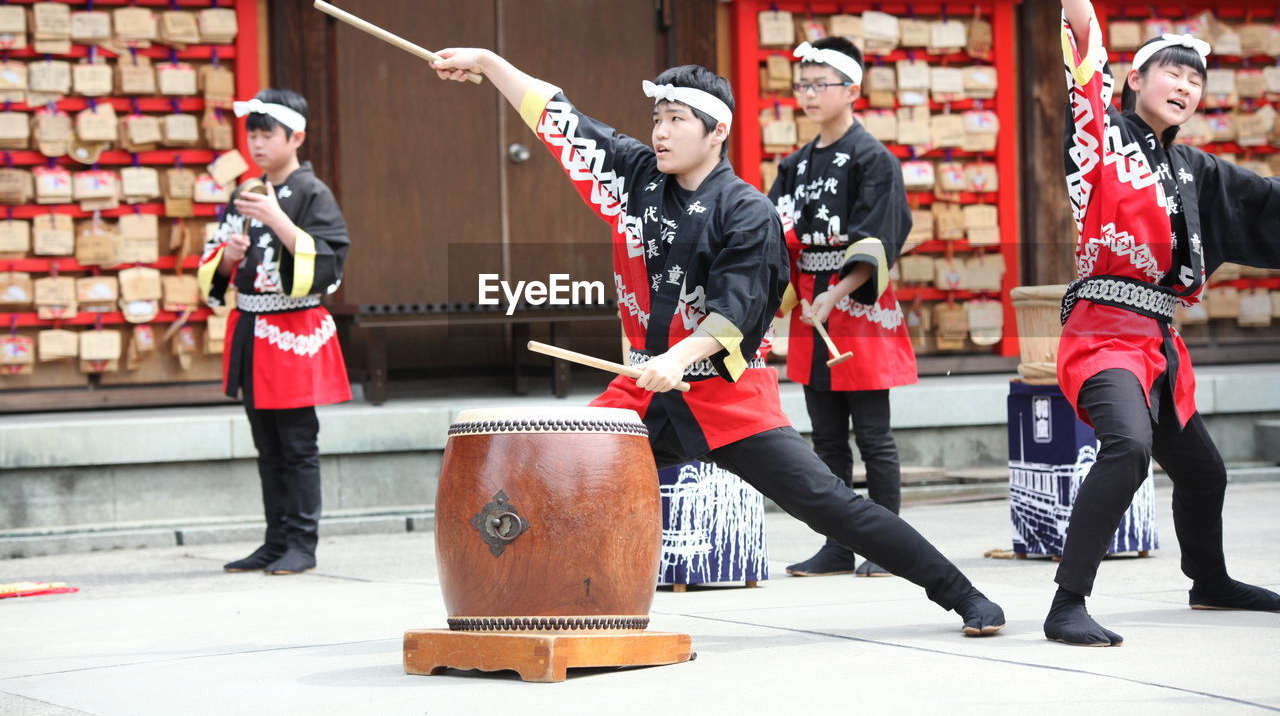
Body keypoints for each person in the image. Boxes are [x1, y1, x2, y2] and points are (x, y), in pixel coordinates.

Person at [431, 48, 1005, 636]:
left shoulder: (748, 212)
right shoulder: (633, 179)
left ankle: (961, 594)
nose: (660, 131)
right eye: (657, 118)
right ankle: (543, 607)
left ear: (717, 130)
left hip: (726, 393)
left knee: (831, 505)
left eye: (677, 119)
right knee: (561, 479)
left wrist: (676, 357)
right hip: (644, 391)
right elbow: (557, 116)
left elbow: (737, 312)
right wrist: (491, 63)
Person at [1040, 0, 1280, 646]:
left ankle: (1208, 580)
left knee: (1204, 471)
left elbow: (1264, 204)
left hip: (1159, 344)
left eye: (1196, 78)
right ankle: (1066, 602)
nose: (1186, 83)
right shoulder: (1099, 135)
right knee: (1128, 448)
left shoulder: (1193, 167)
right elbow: (1081, 26)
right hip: (1103, 335)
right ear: (1132, 79)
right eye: (1172, 70)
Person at [767, 37, 917, 578]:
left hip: (858, 303)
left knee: (873, 434)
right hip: (812, 306)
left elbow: (880, 238)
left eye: (818, 84)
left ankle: (889, 545)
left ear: (852, 90)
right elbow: (774, 236)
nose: (807, 93)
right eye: (801, 84)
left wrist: (835, 292)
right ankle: (838, 544)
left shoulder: (874, 159)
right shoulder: (794, 166)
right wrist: (790, 296)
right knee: (826, 437)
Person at [198, 88, 352, 576]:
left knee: (298, 444)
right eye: (253, 135)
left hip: (292, 329)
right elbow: (215, 267)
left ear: (295, 137)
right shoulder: (243, 191)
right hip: (251, 327)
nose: (258, 145)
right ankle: (274, 539)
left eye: (267, 135)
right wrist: (228, 259)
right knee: (266, 444)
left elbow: (331, 262)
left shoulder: (312, 193)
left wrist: (279, 222)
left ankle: (302, 544)